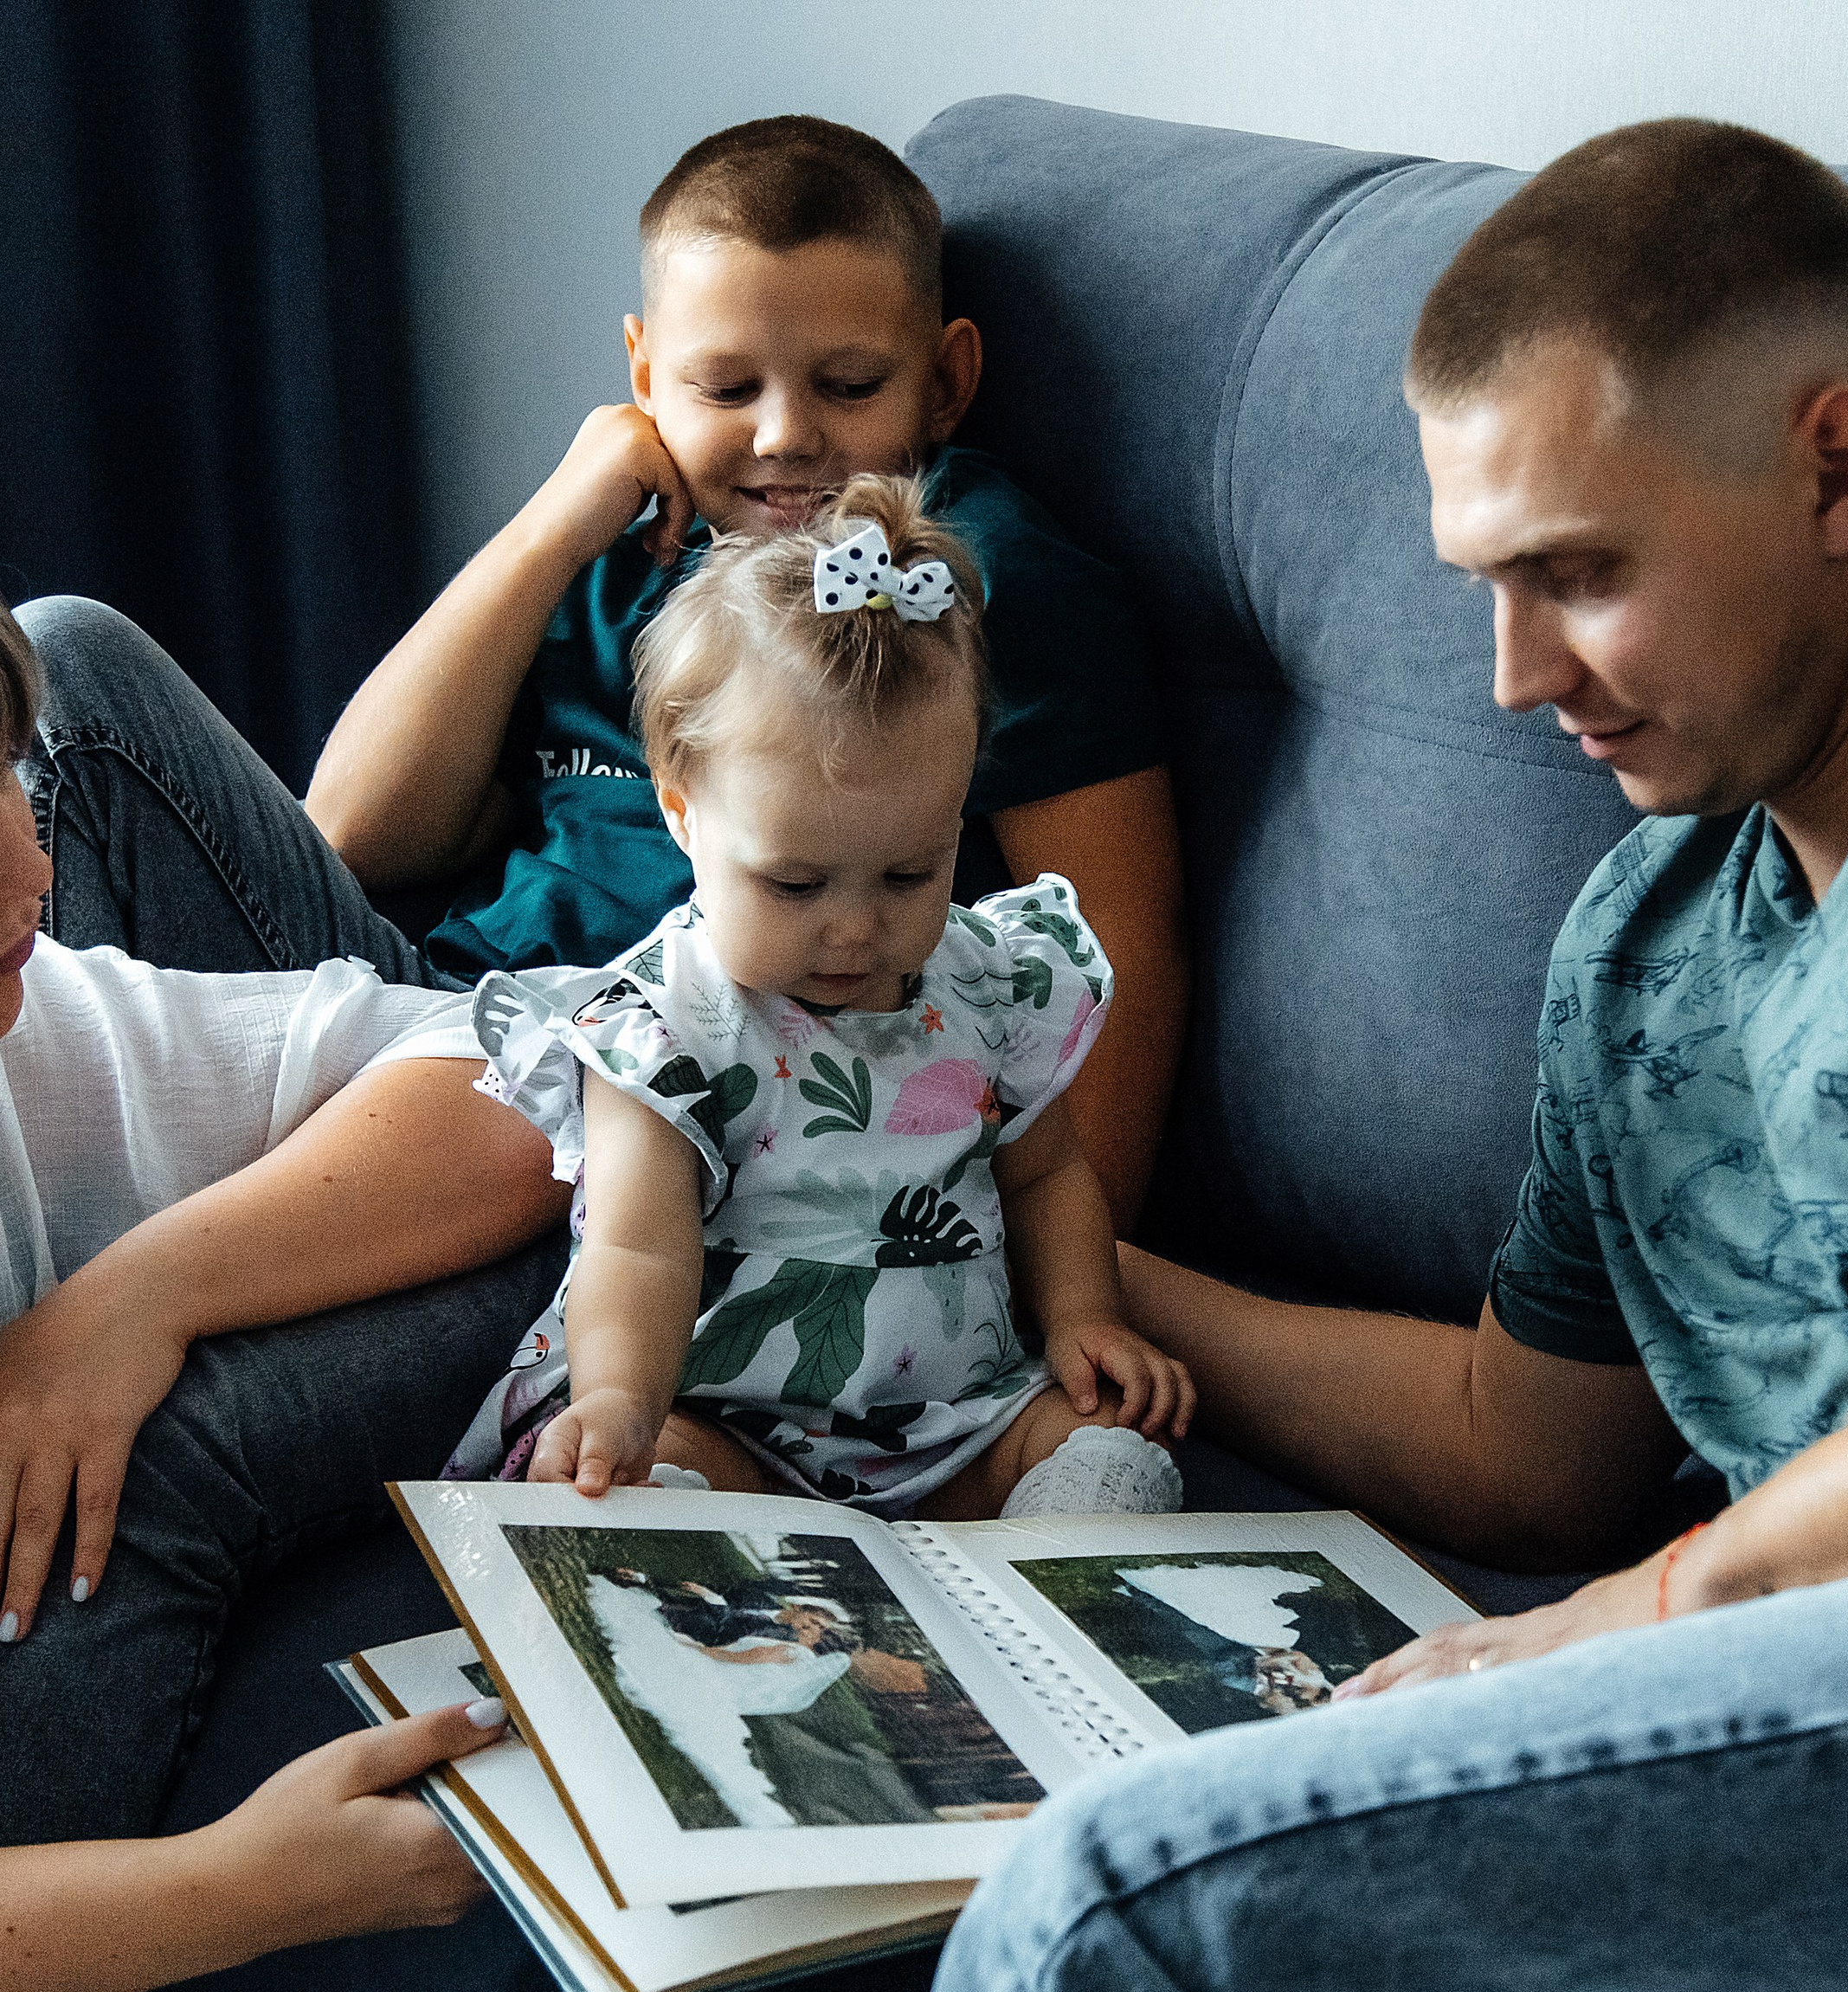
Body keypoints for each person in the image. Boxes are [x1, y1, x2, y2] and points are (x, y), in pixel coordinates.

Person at [861, 120, 1848, 1992]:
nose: (1513, 678)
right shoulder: (1644, 943)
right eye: (1482, 587)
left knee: (1122, 1929)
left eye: (1575, 572)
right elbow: (1524, 1445)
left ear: (1835, 469)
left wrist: (1668, 1601)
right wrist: (1052, 1267)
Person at [23, 114, 1188, 1235]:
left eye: (848, 385)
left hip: (643, 1124)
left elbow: (1111, 943)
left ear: (945, 379)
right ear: (644, 370)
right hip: (432, 1027)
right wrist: (550, 529)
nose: (784, 434)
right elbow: (357, 838)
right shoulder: (625, 550)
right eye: (725, 389)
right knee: (71, 655)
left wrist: (1081, 1276)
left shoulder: (966, 575)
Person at [0, 602, 554, 1992]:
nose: (31, 877)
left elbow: (526, 1077)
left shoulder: (21, 1024)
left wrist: (138, 1293)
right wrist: (233, 1891)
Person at [448, 476, 1194, 1517]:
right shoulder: (660, 1026)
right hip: (726, 1421)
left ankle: (1044, 1593)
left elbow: (1046, 1176)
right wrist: (620, 1395)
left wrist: (1083, 1317)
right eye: (794, 884)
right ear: (682, 811)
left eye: (909, 874)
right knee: (648, 1479)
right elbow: (635, 1241)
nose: (855, 928)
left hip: (955, 1426)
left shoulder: (988, 983)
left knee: (1095, 1444)